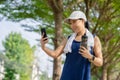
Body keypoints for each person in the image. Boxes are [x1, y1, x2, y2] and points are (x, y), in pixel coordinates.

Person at [40, 11, 103, 80]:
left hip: (83, 77)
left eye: (74, 22)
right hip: (67, 76)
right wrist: (43, 47)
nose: (72, 26)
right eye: (70, 23)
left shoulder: (94, 39)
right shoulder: (68, 39)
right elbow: (55, 54)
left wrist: (90, 56)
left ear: (82, 21)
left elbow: (100, 62)